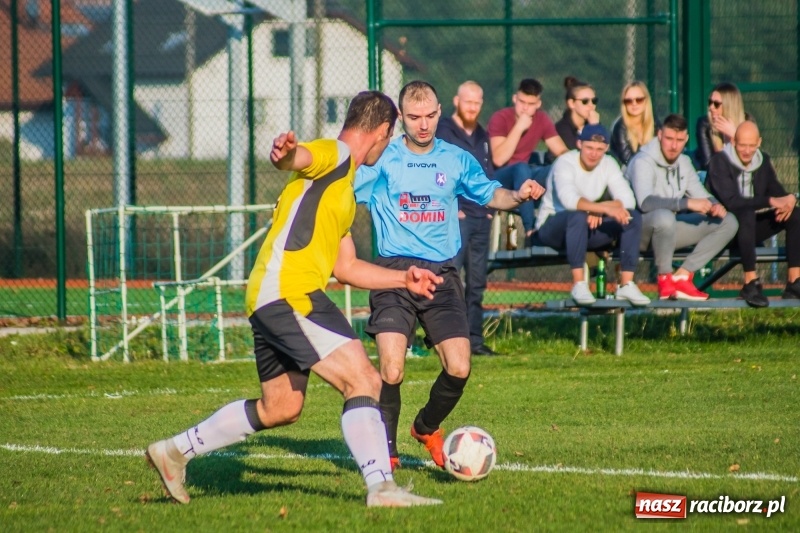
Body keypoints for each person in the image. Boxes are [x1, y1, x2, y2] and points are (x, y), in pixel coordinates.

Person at [145, 91, 444, 508]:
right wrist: (286, 153)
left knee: (281, 406)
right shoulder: (336, 154)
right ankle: (382, 487)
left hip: (269, 294)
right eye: (390, 136)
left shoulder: (340, 188)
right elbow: (301, 156)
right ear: (382, 131)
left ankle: (175, 450)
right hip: (290, 292)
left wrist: (403, 280)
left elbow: (347, 268)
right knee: (365, 380)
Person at [355, 80, 544, 471]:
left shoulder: (456, 159)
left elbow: (492, 194)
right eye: (413, 117)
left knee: (459, 366)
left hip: (441, 273)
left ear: (440, 113)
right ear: (400, 119)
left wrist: (519, 195)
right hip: (395, 272)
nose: (422, 125)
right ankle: (386, 451)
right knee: (392, 367)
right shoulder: (381, 160)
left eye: (429, 116)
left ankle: (426, 427)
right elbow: (340, 193)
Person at [534, 123, 651, 307]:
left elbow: (628, 200)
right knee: (577, 216)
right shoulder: (564, 162)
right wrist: (601, 209)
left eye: (599, 149)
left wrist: (599, 208)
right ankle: (579, 284)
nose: (594, 153)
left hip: (585, 228)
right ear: (579, 144)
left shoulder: (609, 163)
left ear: (606, 149)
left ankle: (626, 284)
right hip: (552, 227)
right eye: (589, 147)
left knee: (632, 217)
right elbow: (569, 201)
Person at [626, 114, 738, 300]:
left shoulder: (684, 162)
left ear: (685, 139)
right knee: (664, 217)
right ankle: (664, 280)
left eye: (679, 140)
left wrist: (715, 205)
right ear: (660, 135)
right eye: (669, 139)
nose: (673, 145)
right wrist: (686, 203)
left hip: (668, 230)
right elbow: (645, 203)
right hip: (639, 233)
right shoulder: (642, 161)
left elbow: (701, 194)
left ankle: (682, 276)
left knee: (729, 221)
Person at [705, 120, 800, 307]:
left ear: (759, 143)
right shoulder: (719, 162)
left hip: (748, 229)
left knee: (795, 215)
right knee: (745, 212)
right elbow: (732, 202)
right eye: (742, 145)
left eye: (751, 146)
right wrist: (771, 201)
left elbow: (775, 190)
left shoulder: (762, 161)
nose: (747, 151)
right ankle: (750, 282)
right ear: (733, 142)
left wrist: (788, 199)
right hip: (723, 229)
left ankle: (794, 281)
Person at [436, 81, 498, 356]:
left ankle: (474, 341)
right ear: (456, 101)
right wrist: (453, 207)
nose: (472, 107)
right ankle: (446, 340)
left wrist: (489, 208)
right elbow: (438, 173)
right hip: (456, 218)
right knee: (450, 280)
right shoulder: (443, 132)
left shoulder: (483, 135)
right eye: (468, 101)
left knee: (477, 282)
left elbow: (488, 173)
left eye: (477, 102)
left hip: (481, 218)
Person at [487, 78, 568, 243]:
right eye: (522, 102)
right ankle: (531, 231)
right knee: (521, 169)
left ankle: (566, 226)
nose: (525, 107)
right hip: (499, 177)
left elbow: (562, 152)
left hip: (526, 176)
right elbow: (499, 158)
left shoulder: (542, 119)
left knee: (555, 169)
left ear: (538, 104)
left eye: (530, 104)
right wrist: (519, 127)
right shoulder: (500, 118)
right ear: (515, 98)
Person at [694, 82, 747, 171]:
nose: (711, 107)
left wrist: (735, 136)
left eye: (716, 104)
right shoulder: (705, 125)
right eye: (710, 102)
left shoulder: (747, 124)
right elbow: (709, 165)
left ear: (729, 106)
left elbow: (751, 161)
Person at [610, 81, 659, 167]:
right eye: (628, 101)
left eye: (639, 100)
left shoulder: (654, 123)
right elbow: (629, 161)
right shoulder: (620, 127)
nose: (634, 104)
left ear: (646, 101)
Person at [548, 76, 601, 156]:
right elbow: (578, 155)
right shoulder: (561, 129)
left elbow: (603, 151)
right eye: (585, 101)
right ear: (571, 103)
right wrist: (594, 129)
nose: (591, 105)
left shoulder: (594, 123)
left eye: (594, 101)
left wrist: (595, 127)